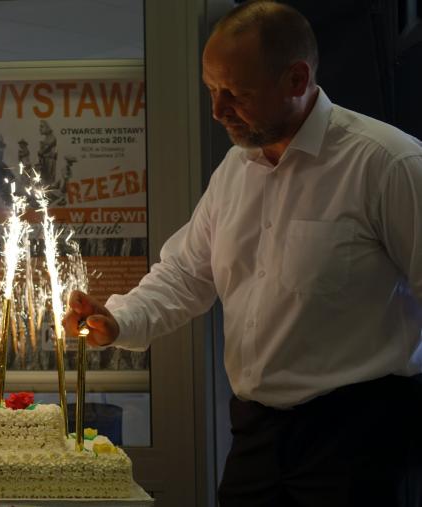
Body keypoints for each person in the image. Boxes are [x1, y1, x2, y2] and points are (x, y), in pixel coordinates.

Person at [63, 2, 422, 506]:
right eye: (211, 89)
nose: (217, 110)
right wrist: (119, 319)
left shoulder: (388, 163)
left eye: (237, 93)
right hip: (256, 433)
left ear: (297, 79)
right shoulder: (234, 171)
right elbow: (185, 274)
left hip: (359, 436)